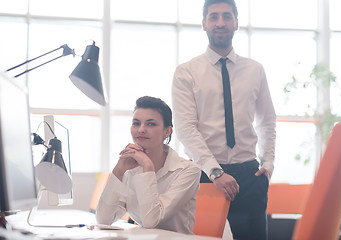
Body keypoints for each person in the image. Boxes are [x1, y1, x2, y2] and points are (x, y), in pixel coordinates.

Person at [172, 0, 276, 239]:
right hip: (205, 177)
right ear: (204, 24)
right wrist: (215, 172)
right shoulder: (186, 71)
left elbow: (267, 121)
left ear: (236, 23)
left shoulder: (255, 70)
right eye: (214, 17)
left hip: (250, 177)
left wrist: (268, 163)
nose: (220, 23)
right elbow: (186, 129)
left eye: (227, 16)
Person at [96, 96, 201, 234]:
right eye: (136, 123)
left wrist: (147, 166)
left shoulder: (188, 171)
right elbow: (103, 220)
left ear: (167, 131)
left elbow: (151, 221)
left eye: (151, 124)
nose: (141, 130)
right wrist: (118, 170)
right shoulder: (129, 169)